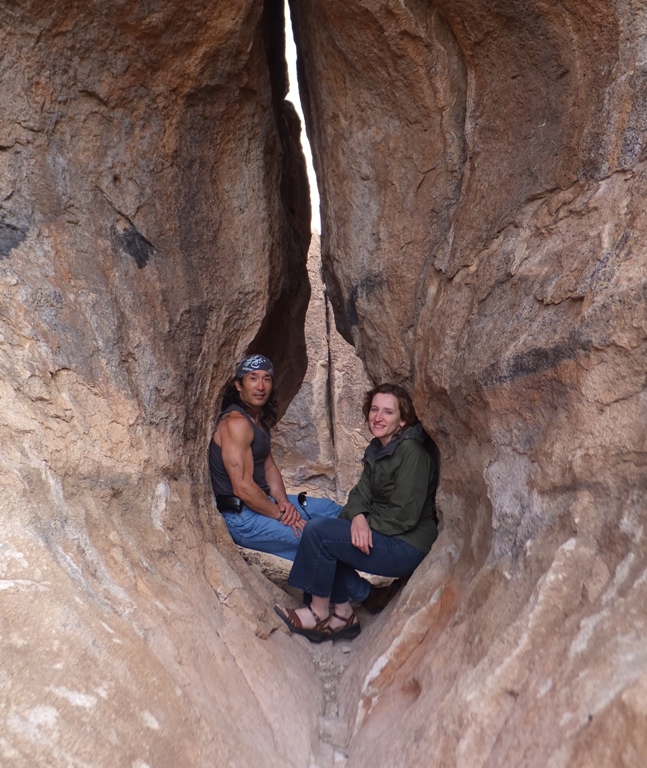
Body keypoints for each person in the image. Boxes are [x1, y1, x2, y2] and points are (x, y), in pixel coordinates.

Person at [274, 383, 440, 642]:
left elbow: (404, 515)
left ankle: (316, 614)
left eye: (388, 412)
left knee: (319, 533)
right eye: (374, 410)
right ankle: (343, 614)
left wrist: (365, 525)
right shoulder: (378, 448)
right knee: (331, 532)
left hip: (407, 544)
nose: (378, 417)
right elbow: (359, 495)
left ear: (403, 420)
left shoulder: (412, 453)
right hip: (385, 531)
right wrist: (359, 519)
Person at [208, 354, 342, 560]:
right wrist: (280, 516)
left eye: (266, 379)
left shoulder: (257, 421)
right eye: (252, 378)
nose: (260, 386)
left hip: (264, 502)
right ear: (238, 385)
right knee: (317, 539)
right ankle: (361, 592)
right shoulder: (236, 423)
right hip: (242, 517)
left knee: (331, 511)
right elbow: (242, 487)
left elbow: (269, 468)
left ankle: (383, 542)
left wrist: (283, 503)